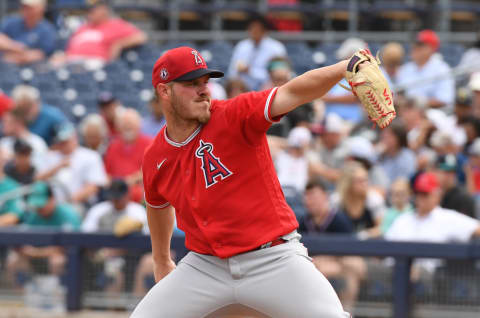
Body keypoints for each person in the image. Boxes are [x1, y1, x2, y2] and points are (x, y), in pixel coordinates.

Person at [132, 46, 353, 317]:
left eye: (205, 81)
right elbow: (157, 205)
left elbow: (293, 92)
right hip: (206, 265)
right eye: (192, 83)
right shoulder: (155, 156)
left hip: (272, 257)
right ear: (165, 91)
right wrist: (161, 259)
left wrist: (343, 68)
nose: (204, 89)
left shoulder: (234, 115)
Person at [299, 178, 364, 312]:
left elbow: (351, 254)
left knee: (352, 268)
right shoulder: (303, 222)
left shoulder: (339, 220)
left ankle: (346, 313)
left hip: (339, 267)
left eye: (314, 196)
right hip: (311, 267)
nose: (310, 201)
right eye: (307, 196)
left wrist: (326, 260)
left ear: (325, 197)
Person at [6, 182, 81, 288]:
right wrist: (24, 249)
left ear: (52, 199)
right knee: (13, 260)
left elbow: (68, 247)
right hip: (35, 257)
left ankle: (61, 299)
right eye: (37, 205)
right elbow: (21, 239)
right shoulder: (33, 215)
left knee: (57, 260)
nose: (39, 208)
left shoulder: (67, 214)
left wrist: (36, 252)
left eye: (42, 204)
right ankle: (21, 299)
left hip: (62, 259)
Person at [82, 179, 147, 292]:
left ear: (127, 195)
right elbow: (84, 235)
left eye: (118, 197)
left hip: (130, 258)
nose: (115, 200)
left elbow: (146, 241)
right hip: (99, 255)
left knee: (116, 273)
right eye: (113, 197)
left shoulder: (137, 212)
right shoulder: (99, 210)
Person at [53, 0, 146, 67]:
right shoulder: (83, 27)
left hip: (94, 63)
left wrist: (118, 44)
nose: (90, 13)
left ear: (104, 11)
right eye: (90, 10)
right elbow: (70, 49)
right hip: (71, 61)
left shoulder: (115, 24)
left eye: (94, 10)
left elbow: (141, 37)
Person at [36, 122, 108, 207]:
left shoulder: (90, 156)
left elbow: (94, 186)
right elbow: (37, 179)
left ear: (75, 138)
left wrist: (69, 202)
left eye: (66, 141)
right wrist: (58, 166)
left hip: (80, 204)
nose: (63, 144)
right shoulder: (50, 156)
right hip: (51, 206)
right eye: (61, 141)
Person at [396, 30, 454, 110]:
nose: (415, 48)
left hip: (432, 113)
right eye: (415, 45)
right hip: (406, 112)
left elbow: (444, 100)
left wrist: (420, 102)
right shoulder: (406, 68)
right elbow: (399, 93)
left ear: (431, 48)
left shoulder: (442, 69)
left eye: (420, 45)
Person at [227, 15, 287, 91]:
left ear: (265, 31)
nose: (254, 31)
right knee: (235, 86)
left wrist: (250, 71)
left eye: (258, 29)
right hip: (244, 88)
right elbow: (232, 72)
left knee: (274, 84)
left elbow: (279, 75)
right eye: (251, 28)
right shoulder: (242, 46)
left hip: (268, 86)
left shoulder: (276, 47)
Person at [330, 161, 386, 239]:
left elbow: (382, 228)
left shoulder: (374, 200)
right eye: (360, 181)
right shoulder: (336, 201)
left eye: (366, 180)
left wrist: (364, 235)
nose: (365, 184)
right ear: (348, 183)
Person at [0, 0, 57, 65]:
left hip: (31, 70)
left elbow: (40, 55)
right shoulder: (11, 22)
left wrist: (14, 55)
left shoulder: (47, 30)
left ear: (41, 8)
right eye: (24, 6)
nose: (26, 9)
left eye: (30, 7)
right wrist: (17, 48)